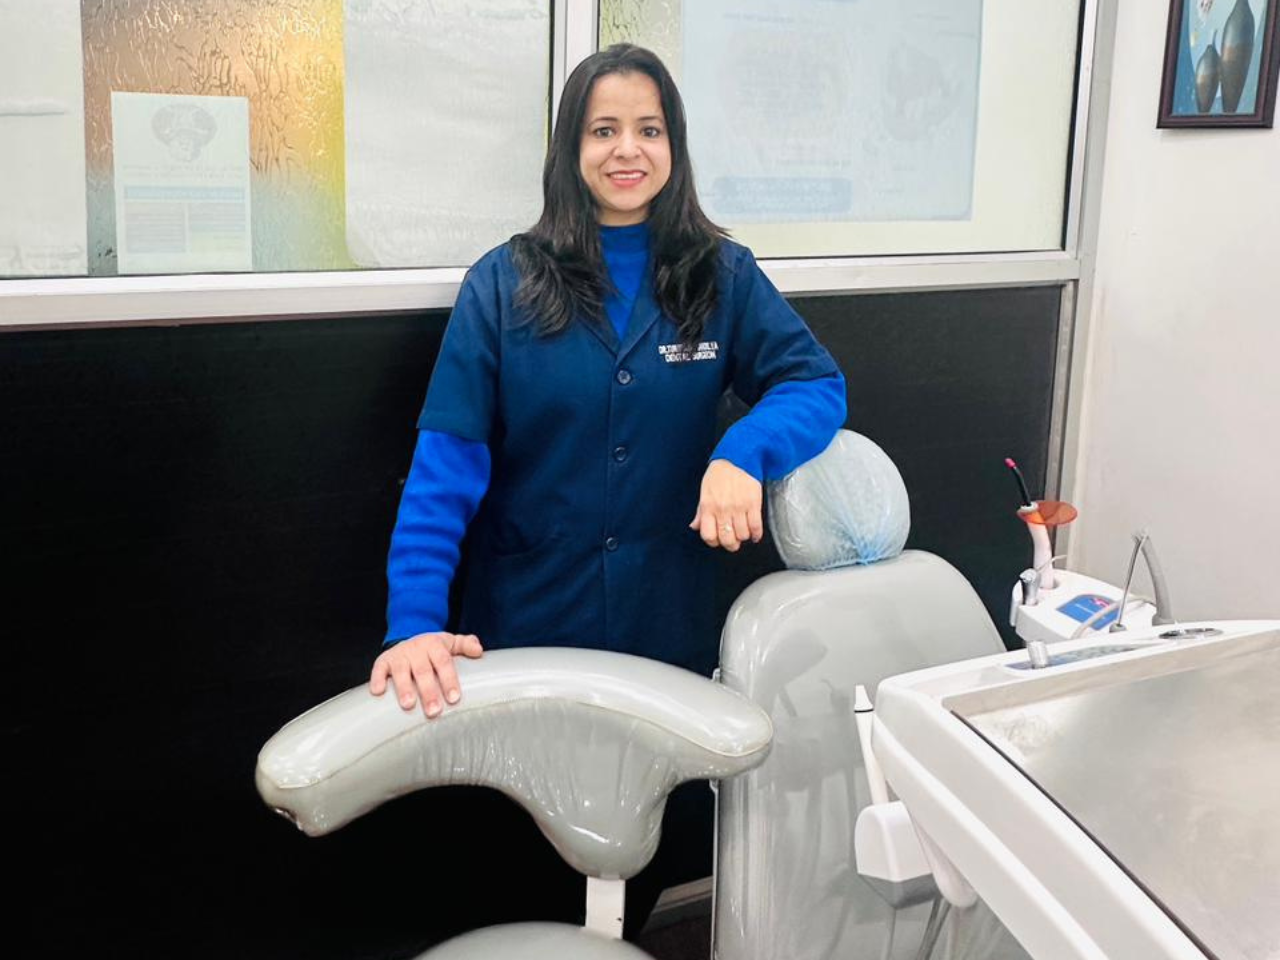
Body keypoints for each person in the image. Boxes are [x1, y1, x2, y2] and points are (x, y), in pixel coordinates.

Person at [366, 43, 846, 936]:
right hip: (524, 633)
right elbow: (444, 473)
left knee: (642, 857)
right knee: (520, 865)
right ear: (571, 148)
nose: (628, 150)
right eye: (604, 130)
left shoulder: (721, 276)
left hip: (663, 636)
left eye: (649, 130)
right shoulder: (503, 283)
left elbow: (815, 383)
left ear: (674, 146)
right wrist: (414, 623)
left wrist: (743, 451)